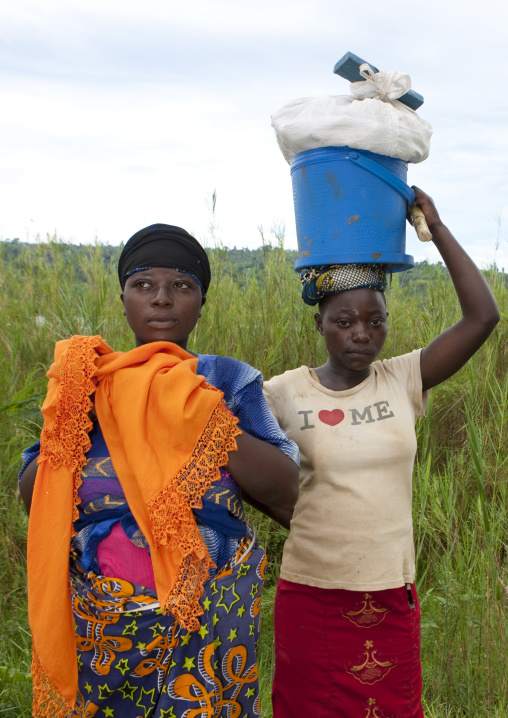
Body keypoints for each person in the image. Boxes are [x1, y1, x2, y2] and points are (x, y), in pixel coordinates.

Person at [18, 224, 299, 718]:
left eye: (182, 286)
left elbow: (285, 486)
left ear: (201, 301)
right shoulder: (89, 381)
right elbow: (34, 496)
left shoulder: (226, 381)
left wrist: (200, 416)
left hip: (210, 610)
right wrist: (71, 420)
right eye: (144, 284)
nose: (162, 299)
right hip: (101, 619)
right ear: (123, 297)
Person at [262, 188, 499, 718]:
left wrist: (433, 227)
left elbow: (482, 317)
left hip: (388, 590)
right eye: (344, 321)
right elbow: (235, 458)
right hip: (311, 590)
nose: (362, 334)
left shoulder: (402, 379)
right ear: (319, 324)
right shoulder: (282, 394)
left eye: (375, 320)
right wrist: (281, 511)